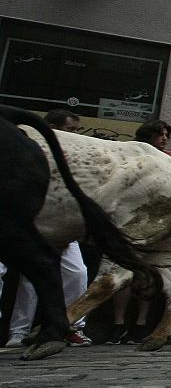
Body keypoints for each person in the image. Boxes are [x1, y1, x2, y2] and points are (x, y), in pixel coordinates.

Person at [5, 109, 91, 348]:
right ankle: (19, 331)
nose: (75, 134)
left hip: (62, 222)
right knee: (30, 277)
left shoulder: (72, 154)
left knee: (77, 272)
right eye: (71, 129)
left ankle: (72, 325)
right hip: (29, 220)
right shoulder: (28, 147)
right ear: (52, 126)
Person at [108, 118, 171, 344]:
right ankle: (118, 324)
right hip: (126, 220)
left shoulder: (170, 161)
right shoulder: (131, 154)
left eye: (167, 134)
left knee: (146, 275)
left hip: (154, 223)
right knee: (120, 275)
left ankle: (140, 323)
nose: (164, 138)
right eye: (160, 134)